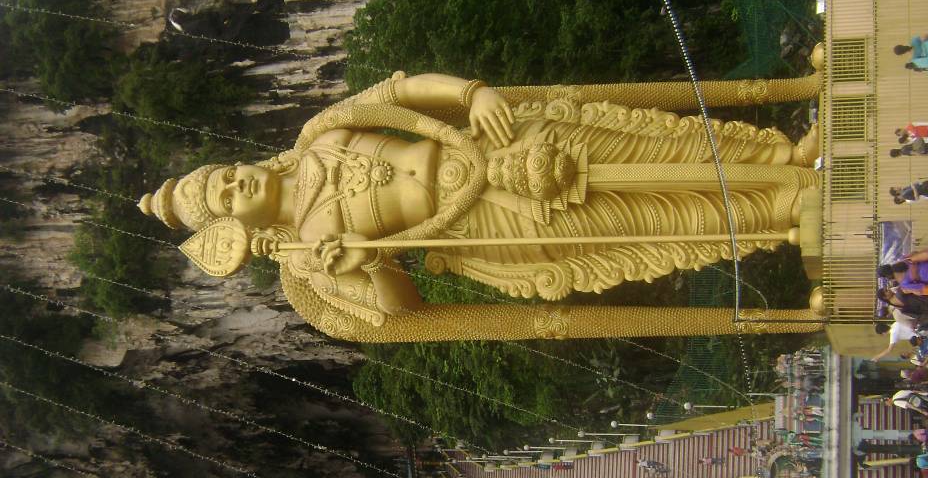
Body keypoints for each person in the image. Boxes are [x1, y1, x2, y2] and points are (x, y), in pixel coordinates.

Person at [137, 70, 822, 343]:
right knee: (648, 224)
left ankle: (786, 160)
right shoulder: (311, 266)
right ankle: (784, 220)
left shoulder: (319, 132)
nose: (236, 186)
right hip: (485, 226)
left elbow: (403, 91)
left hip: (493, 141)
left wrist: (472, 95)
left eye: (226, 175)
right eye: (226, 199)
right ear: (232, 226)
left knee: (657, 143)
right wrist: (355, 264)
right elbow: (399, 313)